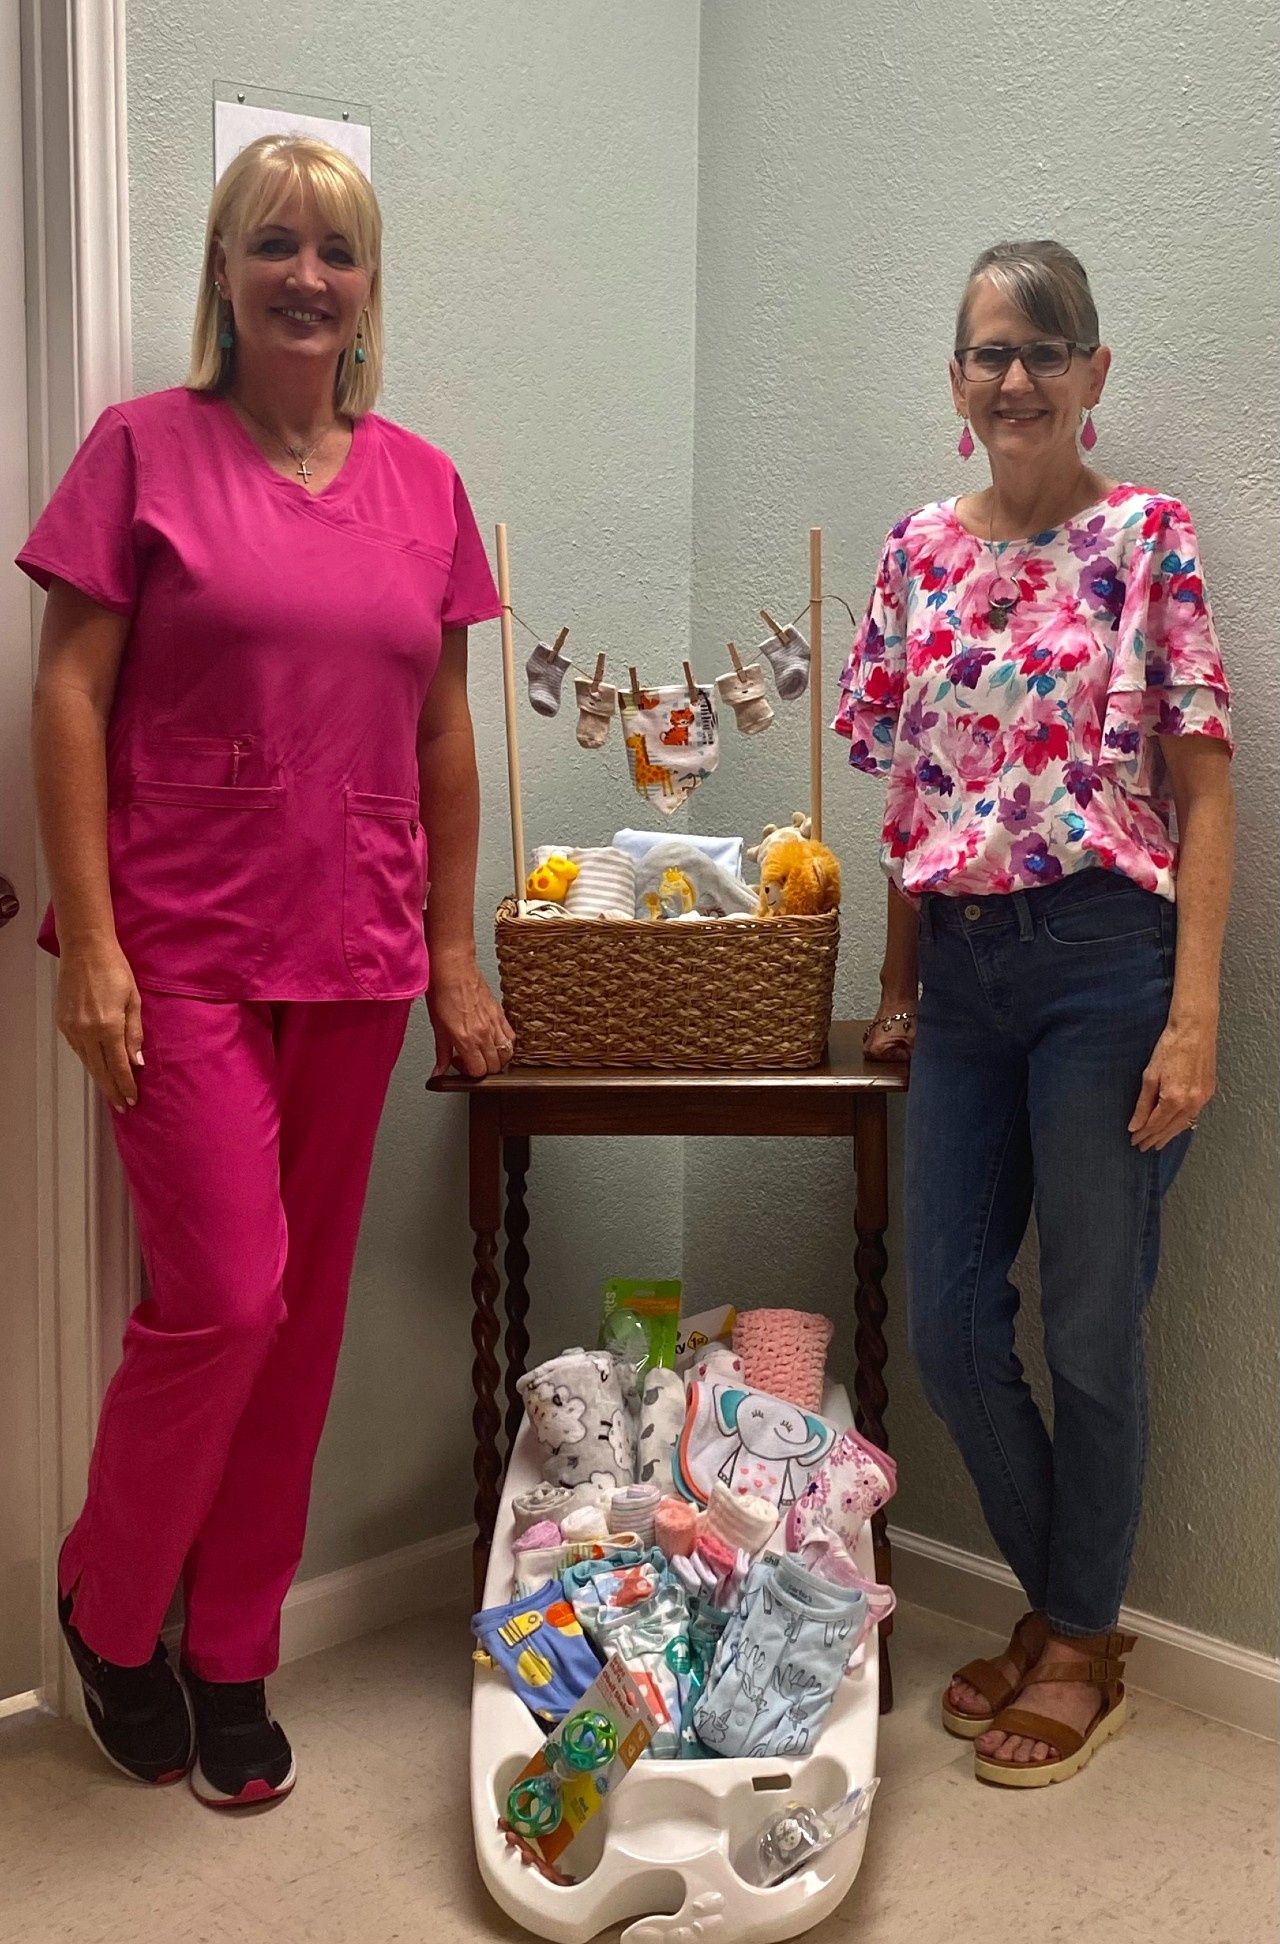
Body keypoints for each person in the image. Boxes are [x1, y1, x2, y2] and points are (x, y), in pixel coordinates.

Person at [22, 134, 514, 1808]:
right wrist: (91, 944)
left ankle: (231, 1646)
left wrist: (455, 954)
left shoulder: (425, 485)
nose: (309, 276)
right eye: (275, 245)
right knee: (225, 1297)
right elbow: (71, 694)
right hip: (181, 951)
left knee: (292, 1328)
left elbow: (443, 731)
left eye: (340, 252)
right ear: (224, 272)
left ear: (371, 288)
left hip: (359, 948)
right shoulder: (141, 451)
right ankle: (107, 1603)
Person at [836, 240, 1233, 1787]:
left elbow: (1202, 789)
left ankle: (1074, 1638)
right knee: (945, 1325)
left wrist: (1191, 1014)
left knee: (1087, 1323)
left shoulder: (1147, 538)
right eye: (991, 352)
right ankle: (1072, 1614)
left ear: (1094, 376)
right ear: (955, 381)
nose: (1017, 377)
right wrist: (895, 987)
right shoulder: (918, 552)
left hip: (1102, 965)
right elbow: (909, 795)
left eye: (1046, 350)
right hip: (964, 979)